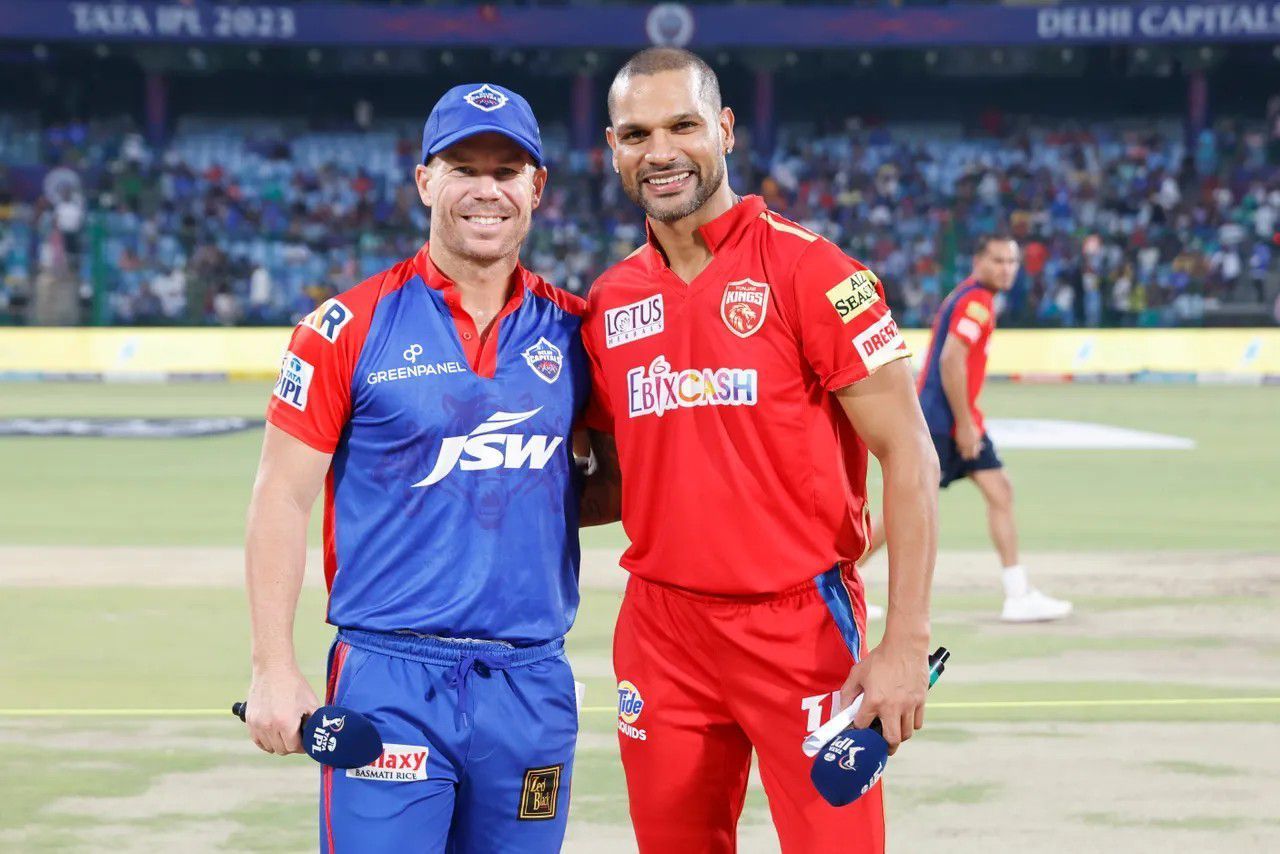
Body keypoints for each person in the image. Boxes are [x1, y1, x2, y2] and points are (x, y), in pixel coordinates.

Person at [581, 48, 939, 852]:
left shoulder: (815, 271)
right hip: (661, 633)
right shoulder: (610, 300)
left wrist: (906, 642)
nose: (661, 151)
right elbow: (608, 481)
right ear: (612, 147)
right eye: (637, 134)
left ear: (727, 130)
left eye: (683, 125)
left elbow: (910, 454)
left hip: (800, 631)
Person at [243, 83, 591, 853]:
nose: (487, 189)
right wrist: (274, 666)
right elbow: (281, 499)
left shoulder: (577, 333)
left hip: (531, 683)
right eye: (464, 166)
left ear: (537, 188)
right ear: (425, 180)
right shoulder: (344, 327)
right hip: (389, 681)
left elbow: (618, 479)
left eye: (508, 170)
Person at [865, 235, 1072, 622]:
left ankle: (1017, 594)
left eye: (1011, 262)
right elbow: (951, 361)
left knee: (1000, 492)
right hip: (944, 424)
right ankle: (834, 587)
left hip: (952, 420)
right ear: (978, 261)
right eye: (998, 260)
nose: (1006, 268)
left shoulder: (969, 297)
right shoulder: (976, 303)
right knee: (904, 512)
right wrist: (964, 425)